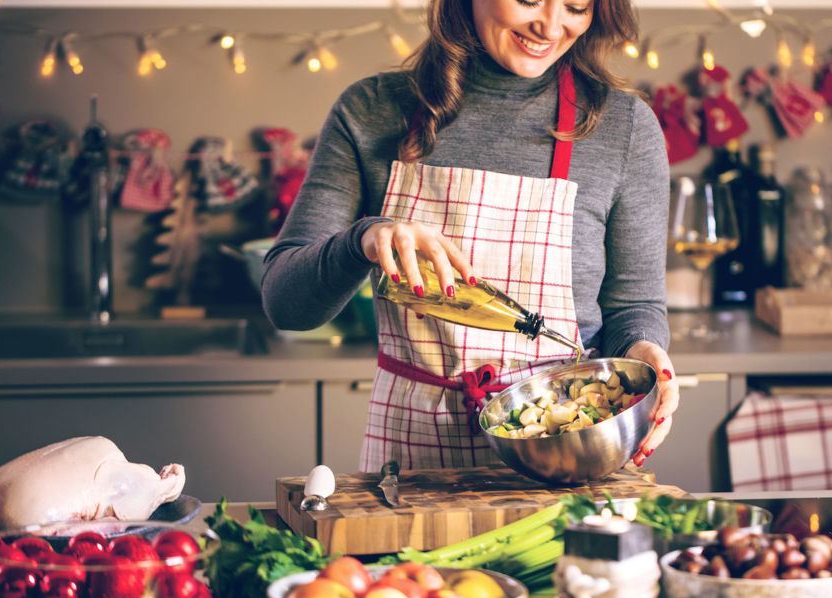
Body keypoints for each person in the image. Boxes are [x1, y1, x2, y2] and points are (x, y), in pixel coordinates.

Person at [262, 0, 679, 473]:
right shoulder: (371, 111)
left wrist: (646, 355)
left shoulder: (622, 127)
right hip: (413, 460)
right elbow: (285, 305)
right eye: (528, 0)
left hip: (569, 448)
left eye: (576, 6)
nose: (550, 26)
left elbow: (633, 306)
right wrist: (363, 239)